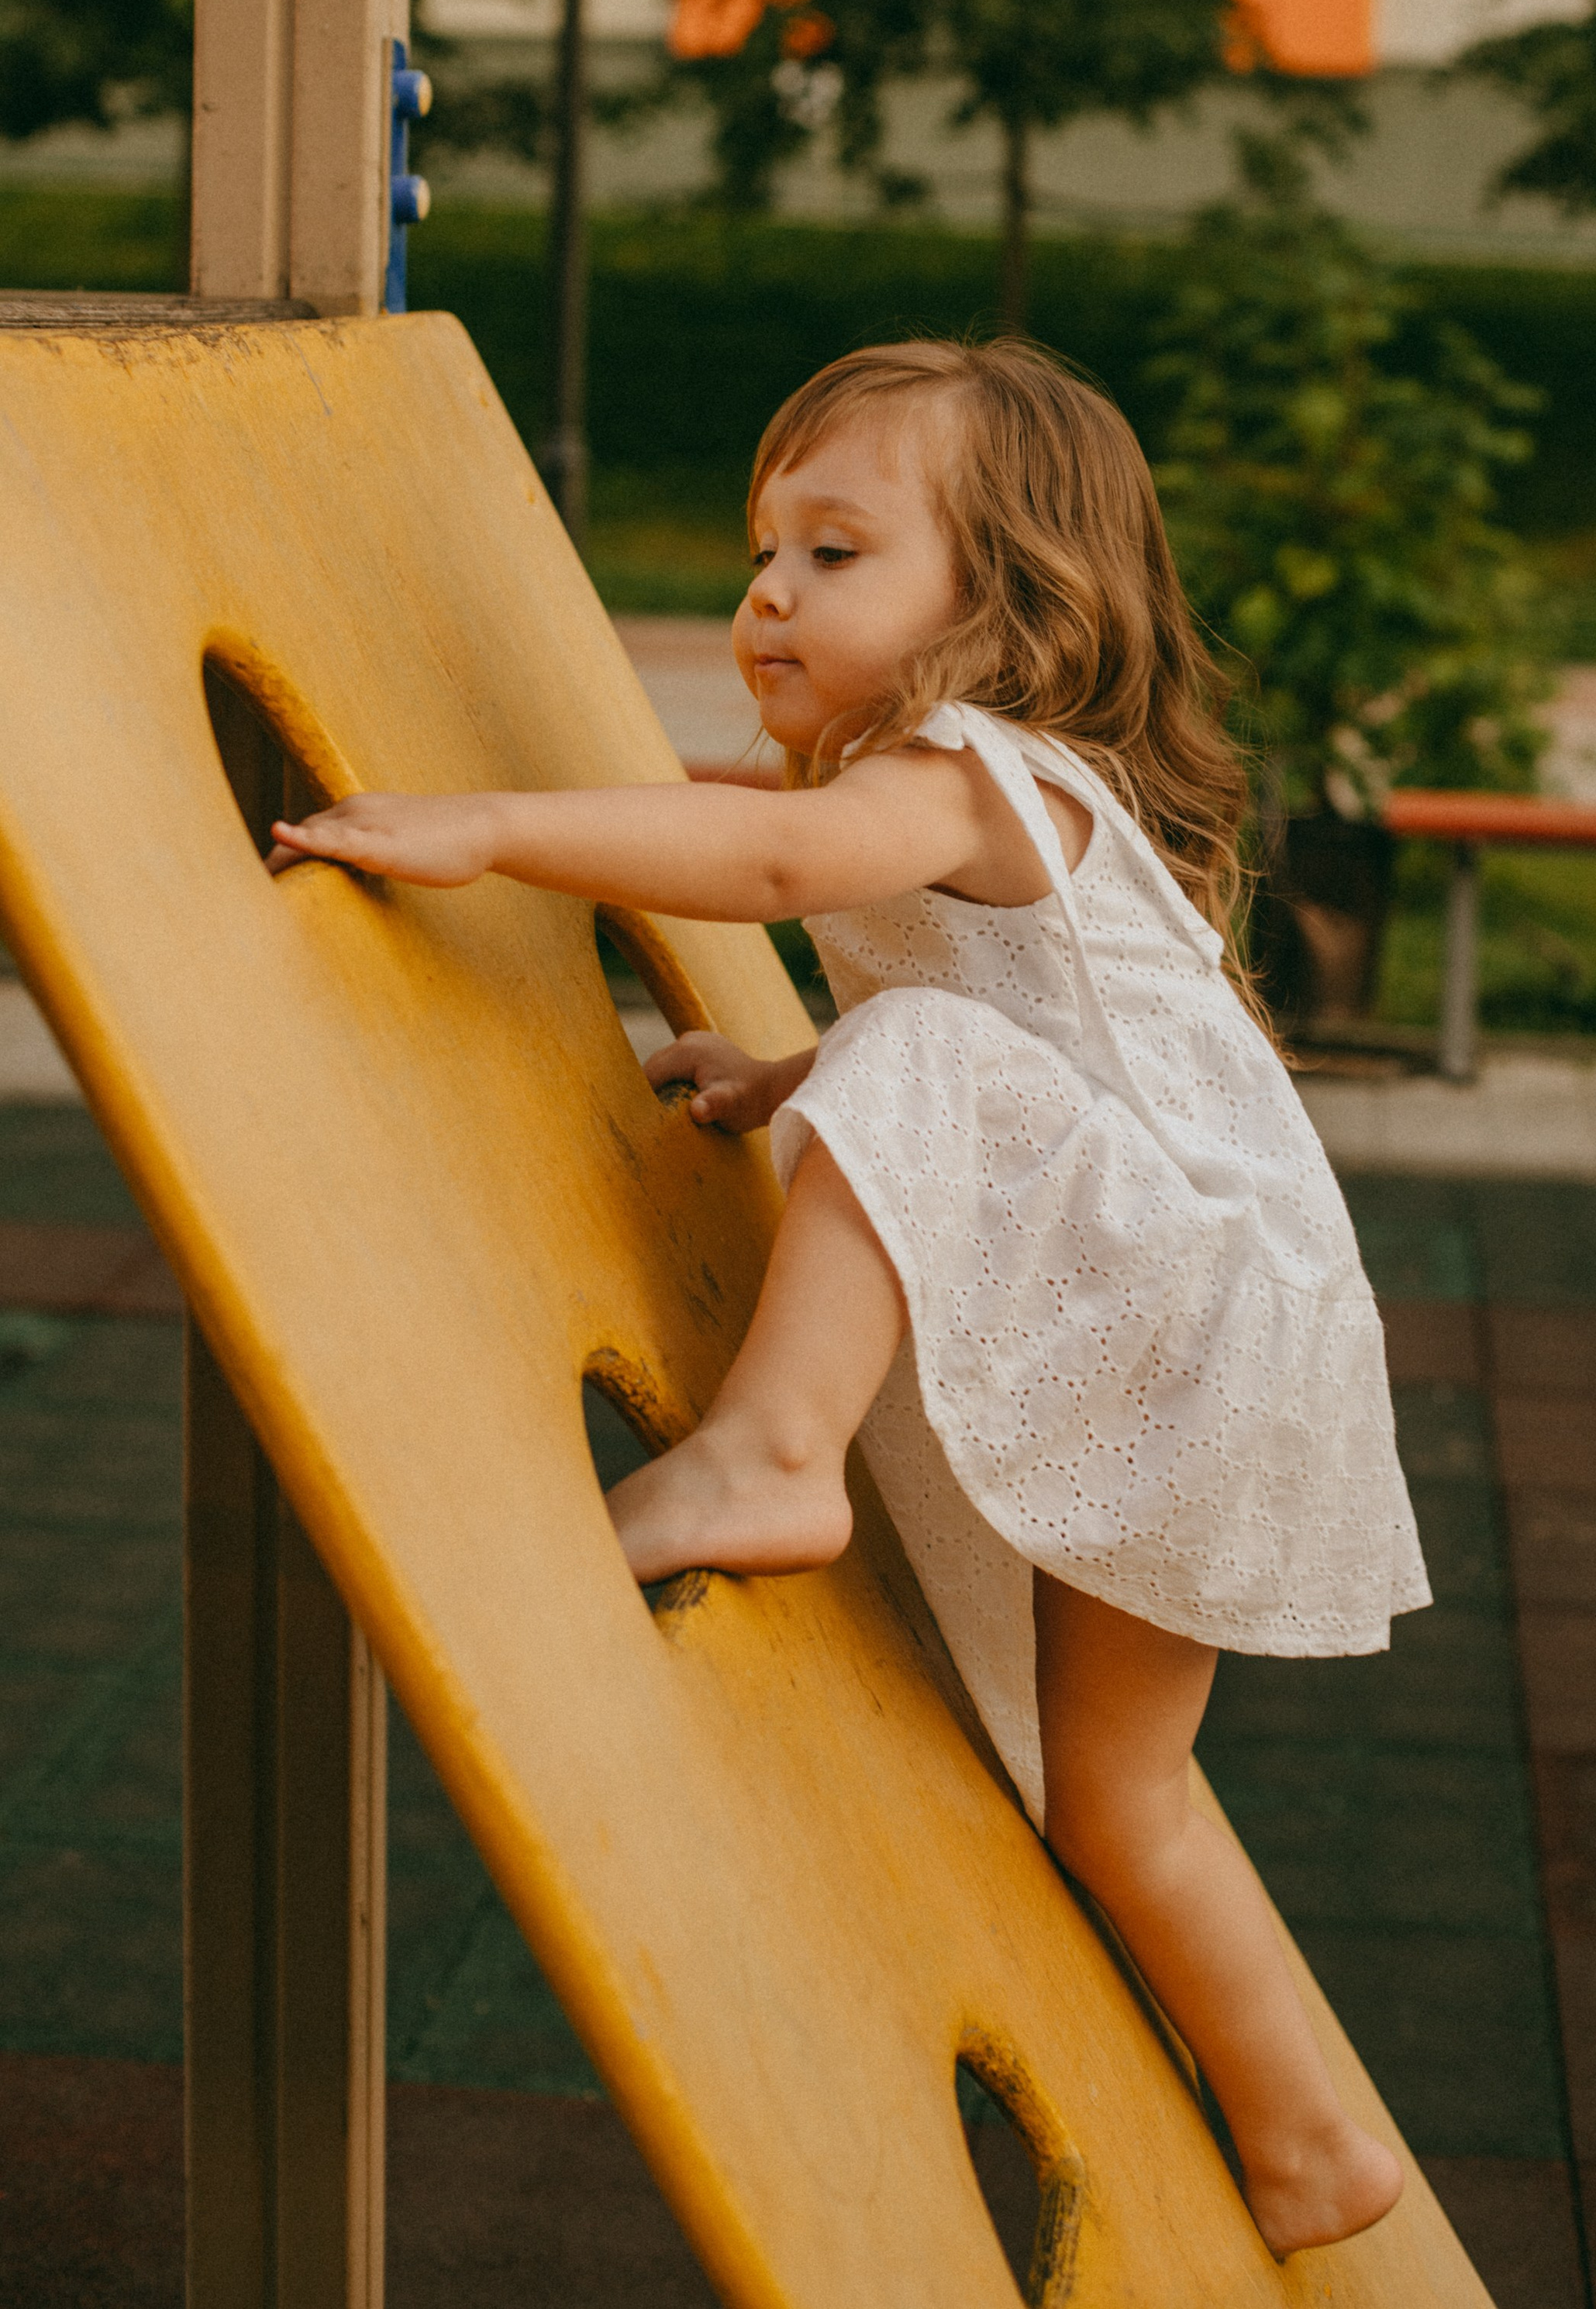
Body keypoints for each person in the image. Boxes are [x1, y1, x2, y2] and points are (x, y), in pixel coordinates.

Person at [271, 338, 1429, 2258]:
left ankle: (768, 1455)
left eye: (833, 553)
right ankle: (1314, 2142)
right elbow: (1048, 1051)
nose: (767, 597)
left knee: (907, 1060)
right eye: (762, 552)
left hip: (1201, 1318)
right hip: (1240, 1328)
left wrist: (481, 827)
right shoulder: (1024, 815)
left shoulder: (972, 774)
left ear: (1008, 605)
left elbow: (783, 856)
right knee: (1114, 1797)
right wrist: (787, 1079)